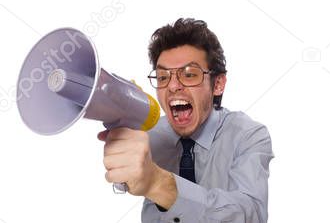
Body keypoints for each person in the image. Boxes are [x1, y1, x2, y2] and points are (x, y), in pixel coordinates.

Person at [100, 18, 273, 223]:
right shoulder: (149, 135)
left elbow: (251, 214)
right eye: (163, 77)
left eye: (189, 74)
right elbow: (126, 178)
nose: (173, 86)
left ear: (217, 84)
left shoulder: (249, 135)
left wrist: (157, 183)